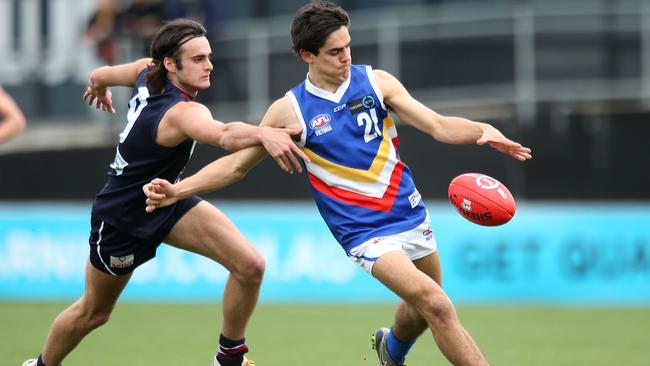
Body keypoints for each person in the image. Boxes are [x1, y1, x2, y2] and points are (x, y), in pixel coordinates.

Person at [143, 3, 532, 366]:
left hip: (408, 212)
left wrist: (481, 130)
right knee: (438, 304)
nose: (346, 56)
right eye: (334, 51)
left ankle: (390, 349)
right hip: (364, 230)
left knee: (420, 310)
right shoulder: (290, 110)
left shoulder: (376, 82)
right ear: (307, 56)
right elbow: (236, 167)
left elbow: (438, 125)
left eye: (347, 46)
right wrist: (178, 189)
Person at [22, 18, 307, 366]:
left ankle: (229, 357)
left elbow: (99, 74)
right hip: (122, 216)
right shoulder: (182, 112)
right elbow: (224, 135)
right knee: (93, 313)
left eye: (209, 56)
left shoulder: (146, 70)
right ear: (170, 64)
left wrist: (98, 87)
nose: (209, 65)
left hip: (167, 196)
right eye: (198, 59)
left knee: (250, 265)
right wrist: (264, 134)